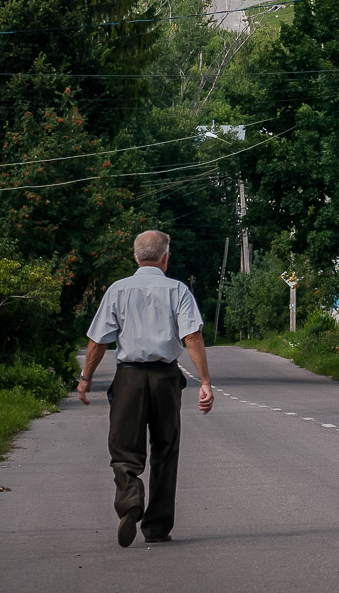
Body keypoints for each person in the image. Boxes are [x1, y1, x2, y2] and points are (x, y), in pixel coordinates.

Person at [78, 230, 214, 547]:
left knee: (124, 450)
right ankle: (156, 527)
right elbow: (191, 337)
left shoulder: (118, 290)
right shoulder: (177, 290)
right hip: (166, 378)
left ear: (135, 257)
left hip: (129, 379)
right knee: (166, 451)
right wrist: (204, 382)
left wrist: (86, 378)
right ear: (165, 258)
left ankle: (130, 502)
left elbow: (99, 340)